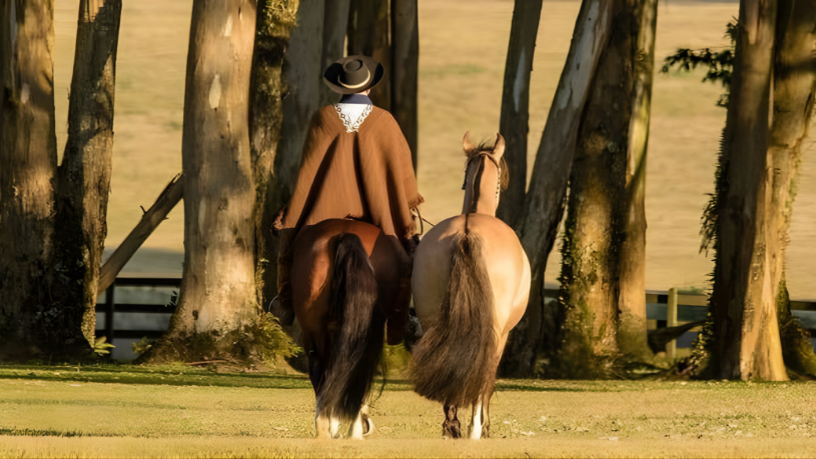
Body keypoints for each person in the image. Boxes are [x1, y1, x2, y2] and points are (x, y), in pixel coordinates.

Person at [271, 55, 423, 326]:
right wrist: (407, 202)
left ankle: (285, 300)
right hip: (376, 213)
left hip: (323, 210)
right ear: (369, 87)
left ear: (339, 87)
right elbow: (401, 169)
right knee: (406, 254)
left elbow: (309, 170)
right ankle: (402, 319)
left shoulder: (323, 118)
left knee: (290, 242)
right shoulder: (384, 121)